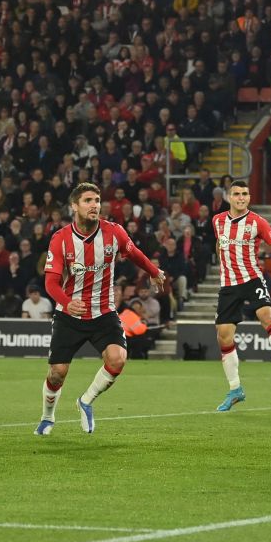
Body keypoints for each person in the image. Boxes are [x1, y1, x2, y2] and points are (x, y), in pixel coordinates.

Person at [35, 183, 165, 436]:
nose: (95, 205)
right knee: (57, 372)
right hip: (69, 314)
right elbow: (50, 282)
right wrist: (66, 300)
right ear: (74, 206)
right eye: (88, 201)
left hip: (104, 312)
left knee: (117, 359)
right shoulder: (61, 238)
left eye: (96, 200)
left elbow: (133, 252)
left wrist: (154, 271)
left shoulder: (113, 232)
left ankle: (86, 401)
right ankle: (47, 417)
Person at [211, 180, 271, 411]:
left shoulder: (257, 222)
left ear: (249, 196)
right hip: (228, 284)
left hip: (252, 278)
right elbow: (219, 245)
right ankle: (235, 389)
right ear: (229, 197)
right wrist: (222, 255)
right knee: (223, 336)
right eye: (236, 194)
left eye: (245, 193)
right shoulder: (217, 221)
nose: (241, 197)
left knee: (266, 316)